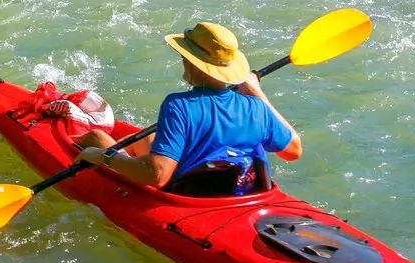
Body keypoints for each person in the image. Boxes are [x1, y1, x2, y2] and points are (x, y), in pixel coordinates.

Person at [74, 21, 301, 196]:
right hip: (240, 191)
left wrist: (101, 157)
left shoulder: (179, 105)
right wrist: (257, 93)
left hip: (188, 194)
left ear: (192, 61)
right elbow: (293, 151)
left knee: (97, 137)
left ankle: (81, 145)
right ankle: (127, 154)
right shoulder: (256, 107)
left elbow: (157, 176)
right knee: (148, 137)